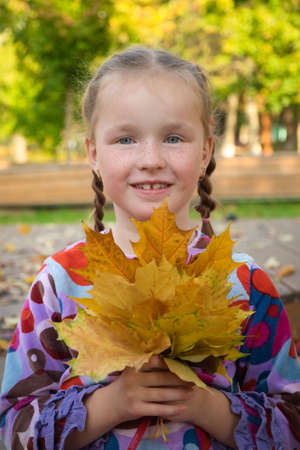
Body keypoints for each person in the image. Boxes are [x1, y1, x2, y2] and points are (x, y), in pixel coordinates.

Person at [0, 45, 299, 450]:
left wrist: (207, 408)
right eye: (125, 139)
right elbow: (11, 428)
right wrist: (110, 405)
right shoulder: (61, 283)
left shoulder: (243, 284)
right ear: (93, 153)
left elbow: (292, 422)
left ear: (206, 150)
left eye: (173, 137)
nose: (151, 158)